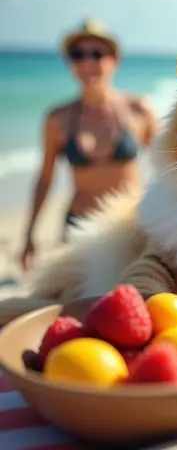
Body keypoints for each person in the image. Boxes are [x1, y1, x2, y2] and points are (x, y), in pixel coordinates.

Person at [20, 18, 159, 271]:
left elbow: (169, 164)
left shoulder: (139, 110)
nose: (87, 62)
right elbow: (45, 179)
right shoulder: (57, 119)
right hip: (78, 227)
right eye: (77, 55)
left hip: (128, 226)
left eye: (96, 54)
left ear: (114, 60)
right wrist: (29, 235)